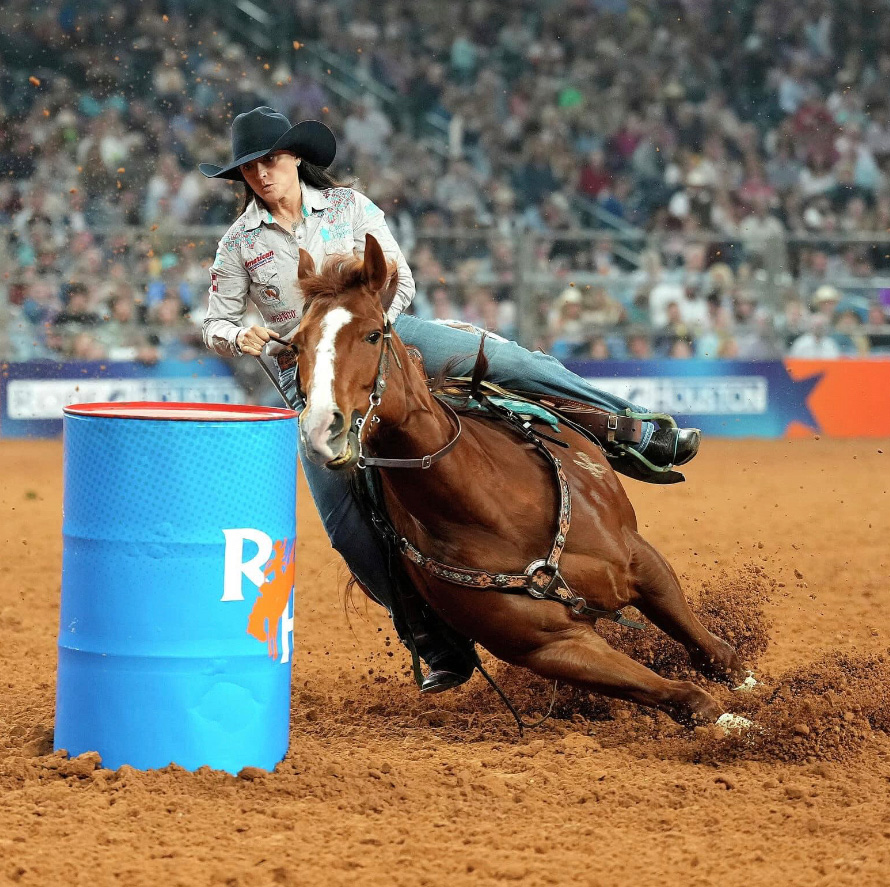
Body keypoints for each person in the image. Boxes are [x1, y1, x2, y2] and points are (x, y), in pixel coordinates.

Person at [200, 108, 700, 693]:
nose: (262, 175)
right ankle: (434, 639)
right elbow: (216, 322)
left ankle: (630, 428)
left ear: (294, 159)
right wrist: (240, 335)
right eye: (250, 168)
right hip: (307, 377)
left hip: (385, 339)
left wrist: (370, 331)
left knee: (512, 362)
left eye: (271, 160)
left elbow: (402, 281)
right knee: (344, 523)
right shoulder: (239, 244)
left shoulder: (349, 209)